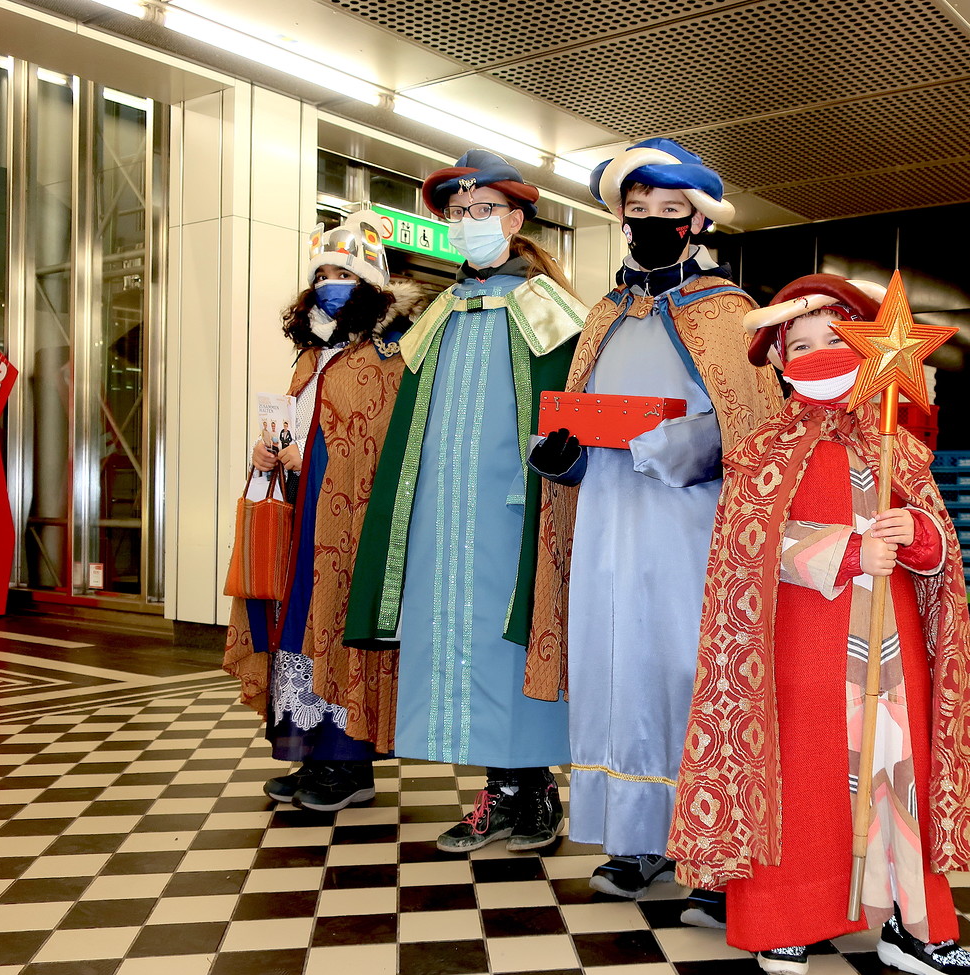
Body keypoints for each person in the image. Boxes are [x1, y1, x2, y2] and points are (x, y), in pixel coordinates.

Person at [667, 275, 970, 975]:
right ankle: (788, 920)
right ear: (779, 361)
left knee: (900, 771)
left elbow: (938, 547)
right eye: (801, 344)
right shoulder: (762, 450)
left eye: (835, 337)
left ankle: (913, 925)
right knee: (803, 778)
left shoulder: (897, 445)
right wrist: (845, 552)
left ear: (867, 349)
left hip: (893, 650)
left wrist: (916, 535)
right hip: (801, 651)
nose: (819, 354)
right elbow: (746, 548)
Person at [525, 138, 782, 911]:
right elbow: (578, 419)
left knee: (688, 674)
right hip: (606, 530)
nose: (651, 223)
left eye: (670, 210)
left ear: (699, 222)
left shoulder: (730, 313)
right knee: (614, 672)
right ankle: (637, 842)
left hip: (690, 533)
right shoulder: (603, 315)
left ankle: (713, 850)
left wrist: (675, 446)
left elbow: (754, 430)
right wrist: (562, 460)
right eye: (637, 210)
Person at [345, 150, 588, 853]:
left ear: (514, 220)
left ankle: (534, 788)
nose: (468, 221)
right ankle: (501, 790)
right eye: (457, 212)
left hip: (515, 512)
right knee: (461, 647)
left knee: (512, 645)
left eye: (483, 210)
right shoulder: (440, 313)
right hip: (443, 516)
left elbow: (570, 406)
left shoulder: (550, 310)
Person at [223, 211, 423, 811]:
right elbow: (300, 423)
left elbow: (381, 444)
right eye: (323, 274)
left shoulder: (387, 355)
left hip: (352, 523)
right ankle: (312, 755)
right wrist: (269, 452)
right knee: (298, 627)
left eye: (345, 274)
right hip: (302, 513)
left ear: (372, 284)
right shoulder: (312, 355)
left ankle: (347, 766)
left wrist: (310, 456)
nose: (331, 284)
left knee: (338, 625)